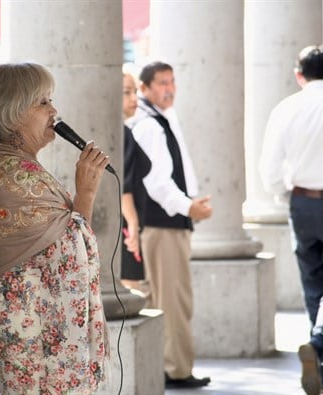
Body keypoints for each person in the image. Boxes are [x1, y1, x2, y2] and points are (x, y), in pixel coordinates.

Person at [0, 62, 110, 395]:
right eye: (43, 103)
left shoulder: (14, 166)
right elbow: (71, 252)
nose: (54, 110)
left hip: (35, 330)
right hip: (31, 337)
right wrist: (87, 193)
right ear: (13, 113)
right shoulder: (14, 175)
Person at [259, 45, 323, 395]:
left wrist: (287, 196)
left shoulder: (286, 108)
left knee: (314, 286)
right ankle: (318, 346)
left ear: (299, 75)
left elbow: (269, 168)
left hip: (301, 204)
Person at [124, 61, 212, 388]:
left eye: (172, 81)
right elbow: (157, 183)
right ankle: (175, 368)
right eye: (162, 82)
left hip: (168, 223)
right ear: (145, 88)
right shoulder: (149, 124)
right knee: (172, 300)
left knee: (165, 297)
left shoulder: (160, 118)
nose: (169, 88)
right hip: (164, 225)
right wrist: (189, 207)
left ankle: (169, 366)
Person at [120, 72, 146, 292]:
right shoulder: (122, 134)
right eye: (126, 92)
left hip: (122, 224)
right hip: (123, 226)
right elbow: (123, 186)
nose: (134, 99)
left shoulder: (124, 132)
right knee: (131, 289)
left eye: (135, 92)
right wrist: (133, 225)